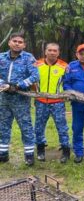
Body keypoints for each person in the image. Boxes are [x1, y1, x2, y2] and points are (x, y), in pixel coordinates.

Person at [0, 33, 39, 166]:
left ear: (24, 45)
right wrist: (3, 84)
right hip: (4, 98)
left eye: (20, 42)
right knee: (3, 126)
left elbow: (35, 76)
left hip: (21, 98)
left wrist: (18, 85)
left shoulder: (28, 58)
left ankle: (29, 156)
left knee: (25, 126)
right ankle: (3, 154)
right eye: (14, 41)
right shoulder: (1, 57)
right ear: (9, 42)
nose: (17, 43)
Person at [35, 43, 70, 163]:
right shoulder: (37, 64)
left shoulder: (64, 66)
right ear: (45, 52)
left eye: (55, 51)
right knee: (39, 127)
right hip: (41, 101)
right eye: (49, 50)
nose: (52, 52)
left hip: (58, 102)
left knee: (62, 127)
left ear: (58, 53)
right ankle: (40, 149)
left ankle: (65, 150)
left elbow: (69, 82)